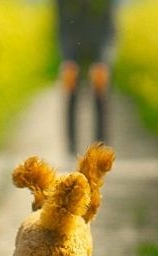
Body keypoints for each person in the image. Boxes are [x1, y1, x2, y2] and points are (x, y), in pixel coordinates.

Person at [55, 0, 116, 155]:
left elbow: (110, 30)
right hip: (72, 46)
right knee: (71, 88)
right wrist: (67, 60)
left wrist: (103, 62)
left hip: (98, 45)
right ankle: (71, 150)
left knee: (100, 90)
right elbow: (61, 28)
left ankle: (100, 150)